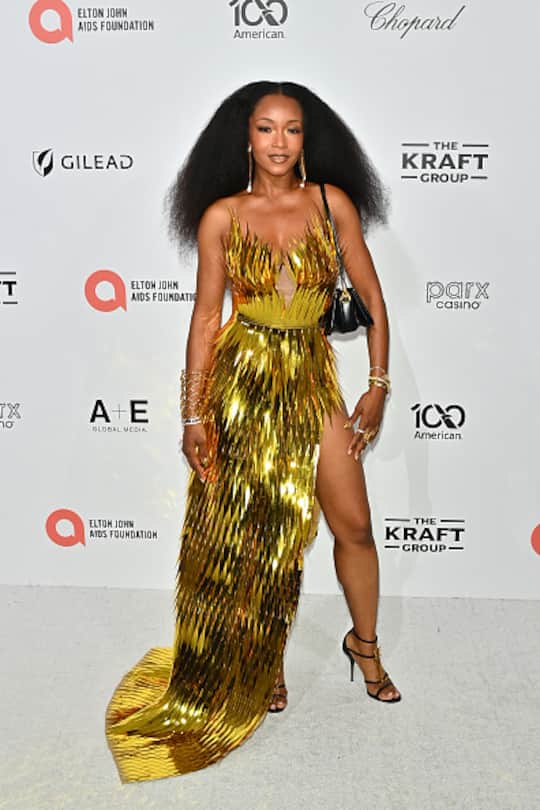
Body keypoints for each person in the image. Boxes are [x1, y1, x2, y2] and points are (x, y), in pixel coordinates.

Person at [105, 80, 401, 784]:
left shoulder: (332, 204)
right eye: (265, 128)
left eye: (292, 129)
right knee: (252, 536)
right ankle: (259, 662)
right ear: (245, 138)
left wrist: (379, 387)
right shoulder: (221, 216)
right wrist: (194, 414)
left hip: (311, 374)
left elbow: (374, 298)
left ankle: (364, 645)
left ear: (307, 139)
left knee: (352, 525)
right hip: (243, 382)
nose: (278, 142)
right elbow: (207, 319)